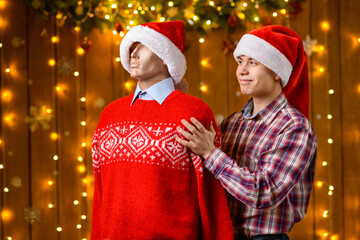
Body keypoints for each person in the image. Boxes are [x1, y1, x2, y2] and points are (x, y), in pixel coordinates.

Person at [91, 20, 234, 240]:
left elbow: (211, 195)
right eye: (132, 48)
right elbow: (100, 193)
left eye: (143, 48)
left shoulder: (193, 112)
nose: (134, 55)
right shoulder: (110, 115)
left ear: (166, 59)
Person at [176, 25, 317, 240]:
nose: (242, 70)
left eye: (253, 62)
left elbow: (264, 192)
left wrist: (210, 153)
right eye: (240, 61)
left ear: (277, 72)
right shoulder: (232, 123)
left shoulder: (294, 127)